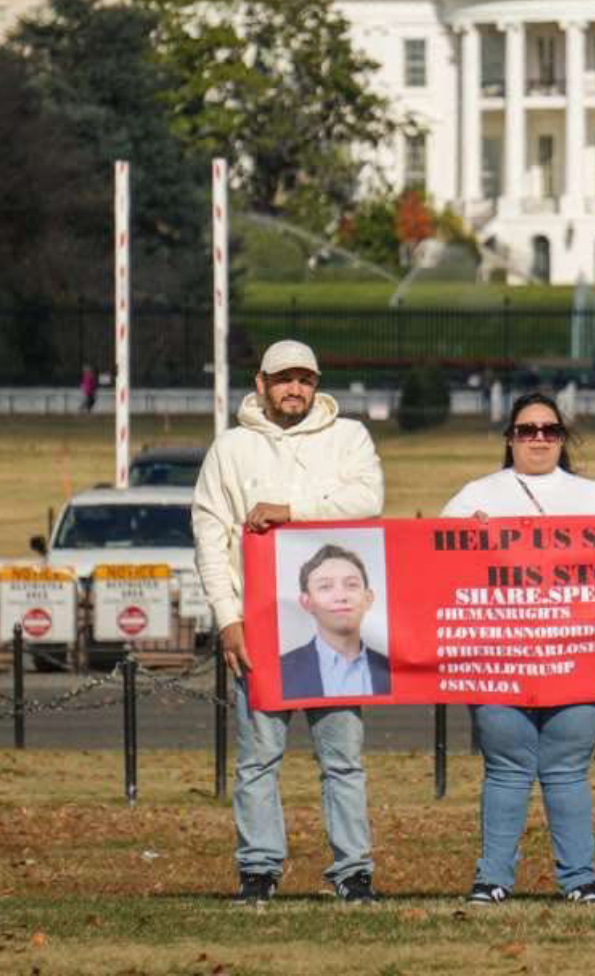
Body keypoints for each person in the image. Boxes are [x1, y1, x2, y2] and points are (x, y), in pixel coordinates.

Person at [192, 339, 385, 905]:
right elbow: (210, 536)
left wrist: (291, 509)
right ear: (261, 384)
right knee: (257, 760)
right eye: (283, 380)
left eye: (304, 379)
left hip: (336, 630)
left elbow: (367, 499)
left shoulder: (349, 438)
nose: (294, 389)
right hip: (261, 629)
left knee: (343, 760)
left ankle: (354, 872)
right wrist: (228, 619)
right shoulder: (230, 449)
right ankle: (258, 870)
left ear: (317, 384)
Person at [442, 391, 595, 906]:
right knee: (505, 771)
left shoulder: (593, 497)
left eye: (549, 430)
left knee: (567, 771)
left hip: (575, 660)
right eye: (527, 430)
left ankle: (580, 879)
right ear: (509, 438)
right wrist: (461, 536)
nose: (538, 438)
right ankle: (492, 877)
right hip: (500, 661)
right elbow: (437, 568)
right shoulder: (476, 495)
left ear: (563, 438)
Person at [279, 544, 392, 700]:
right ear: (306, 602)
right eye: (325, 587)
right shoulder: (282, 670)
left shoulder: (391, 669)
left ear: (368, 598)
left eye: (351, 585)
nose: (341, 597)